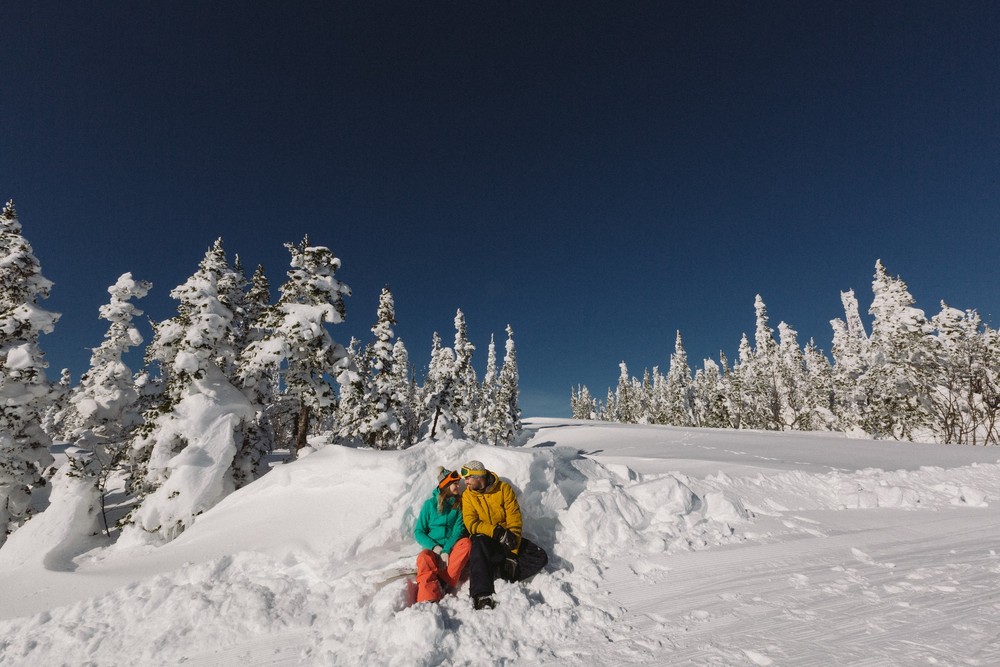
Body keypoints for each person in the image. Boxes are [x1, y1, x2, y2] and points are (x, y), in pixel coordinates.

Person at [459, 459, 548, 610]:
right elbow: (471, 523)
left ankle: (500, 571)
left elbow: (514, 519)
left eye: (468, 478)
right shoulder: (468, 496)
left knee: (539, 556)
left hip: (507, 539)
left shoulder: (503, 489)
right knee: (477, 541)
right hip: (486, 540)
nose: (465, 482)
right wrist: (495, 532)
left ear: (478, 476)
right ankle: (482, 595)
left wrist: (512, 553)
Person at [413, 466, 472, 603]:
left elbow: (458, 531)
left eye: (458, 483)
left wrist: (446, 550)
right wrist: (435, 548)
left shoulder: (459, 505)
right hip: (433, 549)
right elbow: (419, 531)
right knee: (424, 557)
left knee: (466, 544)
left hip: (451, 548)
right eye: (455, 483)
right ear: (446, 485)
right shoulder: (429, 505)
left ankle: (444, 581)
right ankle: (428, 598)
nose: (458, 486)